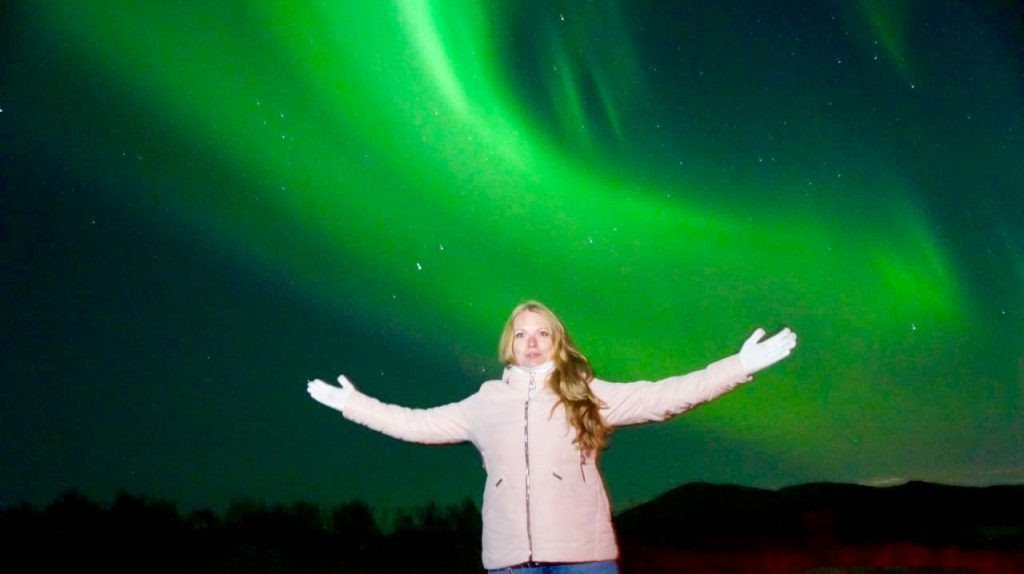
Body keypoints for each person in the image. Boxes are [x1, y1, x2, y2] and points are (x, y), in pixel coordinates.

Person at [307, 300, 797, 573]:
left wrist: (738, 367)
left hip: (583, 559)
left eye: (542, 333)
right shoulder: (485, 402)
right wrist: (355, 405)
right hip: (510, 562)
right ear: (509, 344)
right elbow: (416, 424)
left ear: (557, 342)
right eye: (522, 334)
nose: (532, 342)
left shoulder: (585, 393)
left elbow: (663, 396)